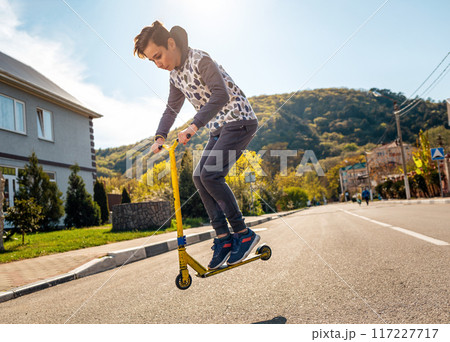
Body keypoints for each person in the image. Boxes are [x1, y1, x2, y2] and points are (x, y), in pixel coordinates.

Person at [134, 21, 260, 270]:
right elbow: (171, 109)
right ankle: (224, 238)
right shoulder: (175, 76)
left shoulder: (200, 59)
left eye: (158, 56)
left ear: (171, 43)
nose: (158, 64)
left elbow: (220, 94)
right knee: (199, 176)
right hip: (218, 128)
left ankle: (243, 233)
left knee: (211, 175)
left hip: (239, 119)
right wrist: (160, 136)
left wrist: (194, 125)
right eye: (153, 61)